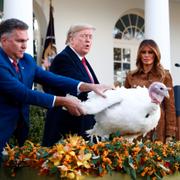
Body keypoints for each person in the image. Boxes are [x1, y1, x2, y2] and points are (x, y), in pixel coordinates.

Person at [0, 18, 112, 159]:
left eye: (26, 41)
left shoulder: (27, 60)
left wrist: (88, 86)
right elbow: (23, 94)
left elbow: (52, 79)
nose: (24, 46)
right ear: (4, 40)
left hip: (19, 130)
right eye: (19, 41)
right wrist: (64, 101)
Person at [42, 24, 100, 146]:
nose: (88, 40)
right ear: (71, 39)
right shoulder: (63, 59)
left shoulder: (81, 59)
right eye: (84, 36)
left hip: (82, 124)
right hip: (67, 128)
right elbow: (80, 88)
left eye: (90, 36)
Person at [124, 39, 177, 143]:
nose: (146, 55)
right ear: (139, 55)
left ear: (155, 54)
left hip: (158, 127)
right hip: (136, 127)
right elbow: (126, 105)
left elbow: (170, 106)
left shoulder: (164, 76)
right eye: (143, 52)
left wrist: (170, 134)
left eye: (150, 52)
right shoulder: (131, 76)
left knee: (156, 158)